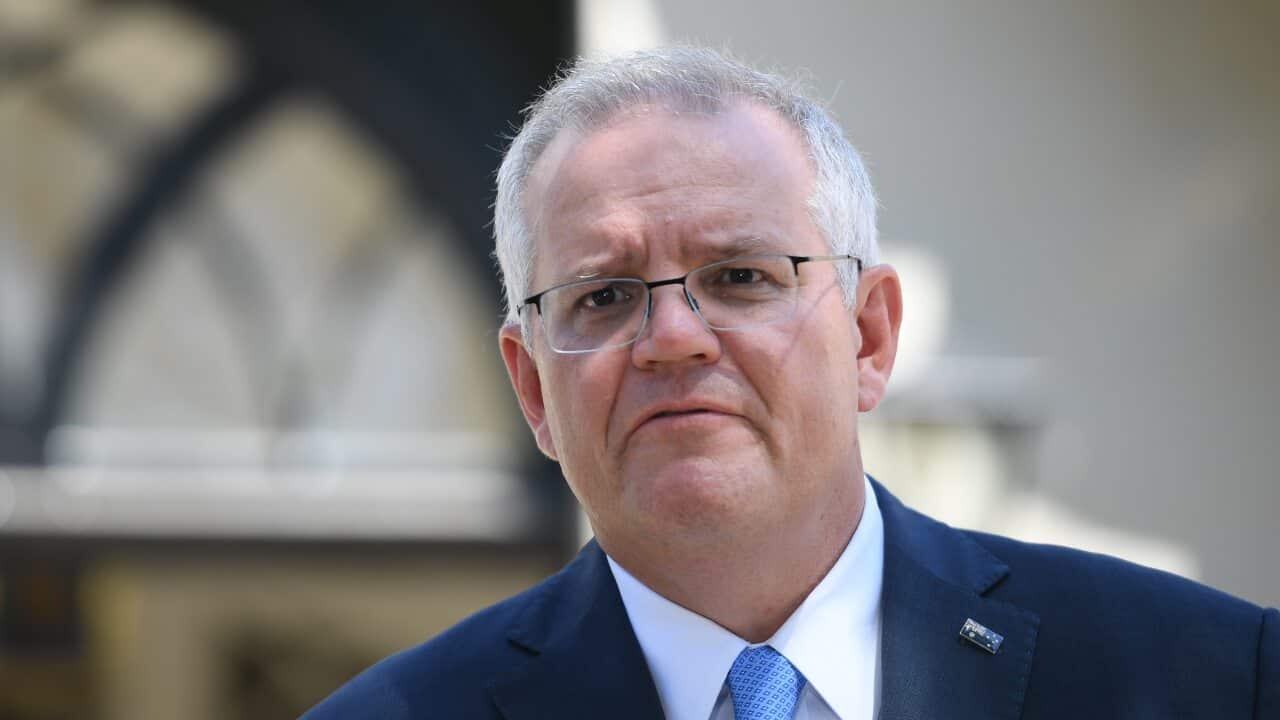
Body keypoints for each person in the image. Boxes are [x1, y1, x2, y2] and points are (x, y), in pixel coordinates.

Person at [304, 47, 1277, 720]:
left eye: (739, 278)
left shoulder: (1203, 679)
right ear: (529, 389)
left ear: (867, 334)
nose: (671, 339)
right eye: (602, 296)